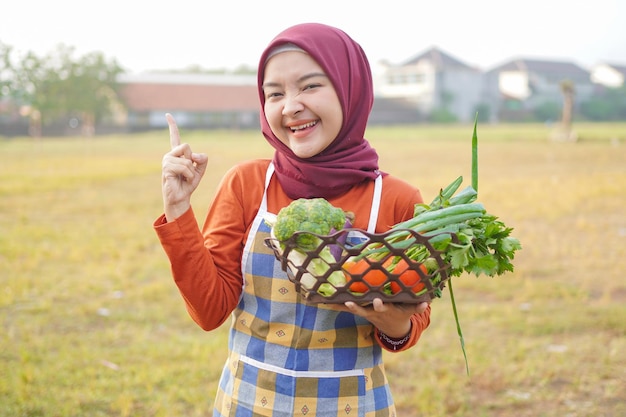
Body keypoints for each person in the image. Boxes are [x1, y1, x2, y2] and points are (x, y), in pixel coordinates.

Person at [154, 22, 431, 416]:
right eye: (275, 93)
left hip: (352, 405)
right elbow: (209, 310)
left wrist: (394, 323)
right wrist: (178, 212)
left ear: (350, 88)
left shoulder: (397, 200)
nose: (290, 106)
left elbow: (413, 323)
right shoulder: (247, 184)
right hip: (248, 403)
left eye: (310, 86)